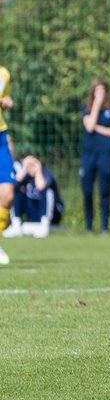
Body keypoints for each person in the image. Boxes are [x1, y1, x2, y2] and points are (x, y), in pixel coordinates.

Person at [80, 78, 110, 234]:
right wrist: (96, 105)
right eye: (97, 91)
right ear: (93, 93)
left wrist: (98, 127)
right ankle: (88, 226)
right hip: (89, 155)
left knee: (105, 191)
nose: (100, 94)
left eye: (103, 91)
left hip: (105, 155)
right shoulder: (86, 109)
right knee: (87, 191)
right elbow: (89, 127)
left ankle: (105, 226)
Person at [10, 154, 63, 238]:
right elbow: (12, 187)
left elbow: (41, 187)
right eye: (28, 165)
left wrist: (38, 171)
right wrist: (24, 169)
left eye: (32, 164)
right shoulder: (25, 177)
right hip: (32, 212)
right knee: (16, 192)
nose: (30, 167)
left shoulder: (46, 174)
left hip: (52, 214)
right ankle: (16, 223)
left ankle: (44, 224)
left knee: (48, 192)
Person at [0, 68, 14, 264]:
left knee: (8, 194)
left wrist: (6, 101)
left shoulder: (3, 73)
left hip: (0, 137)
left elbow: (6, 98)